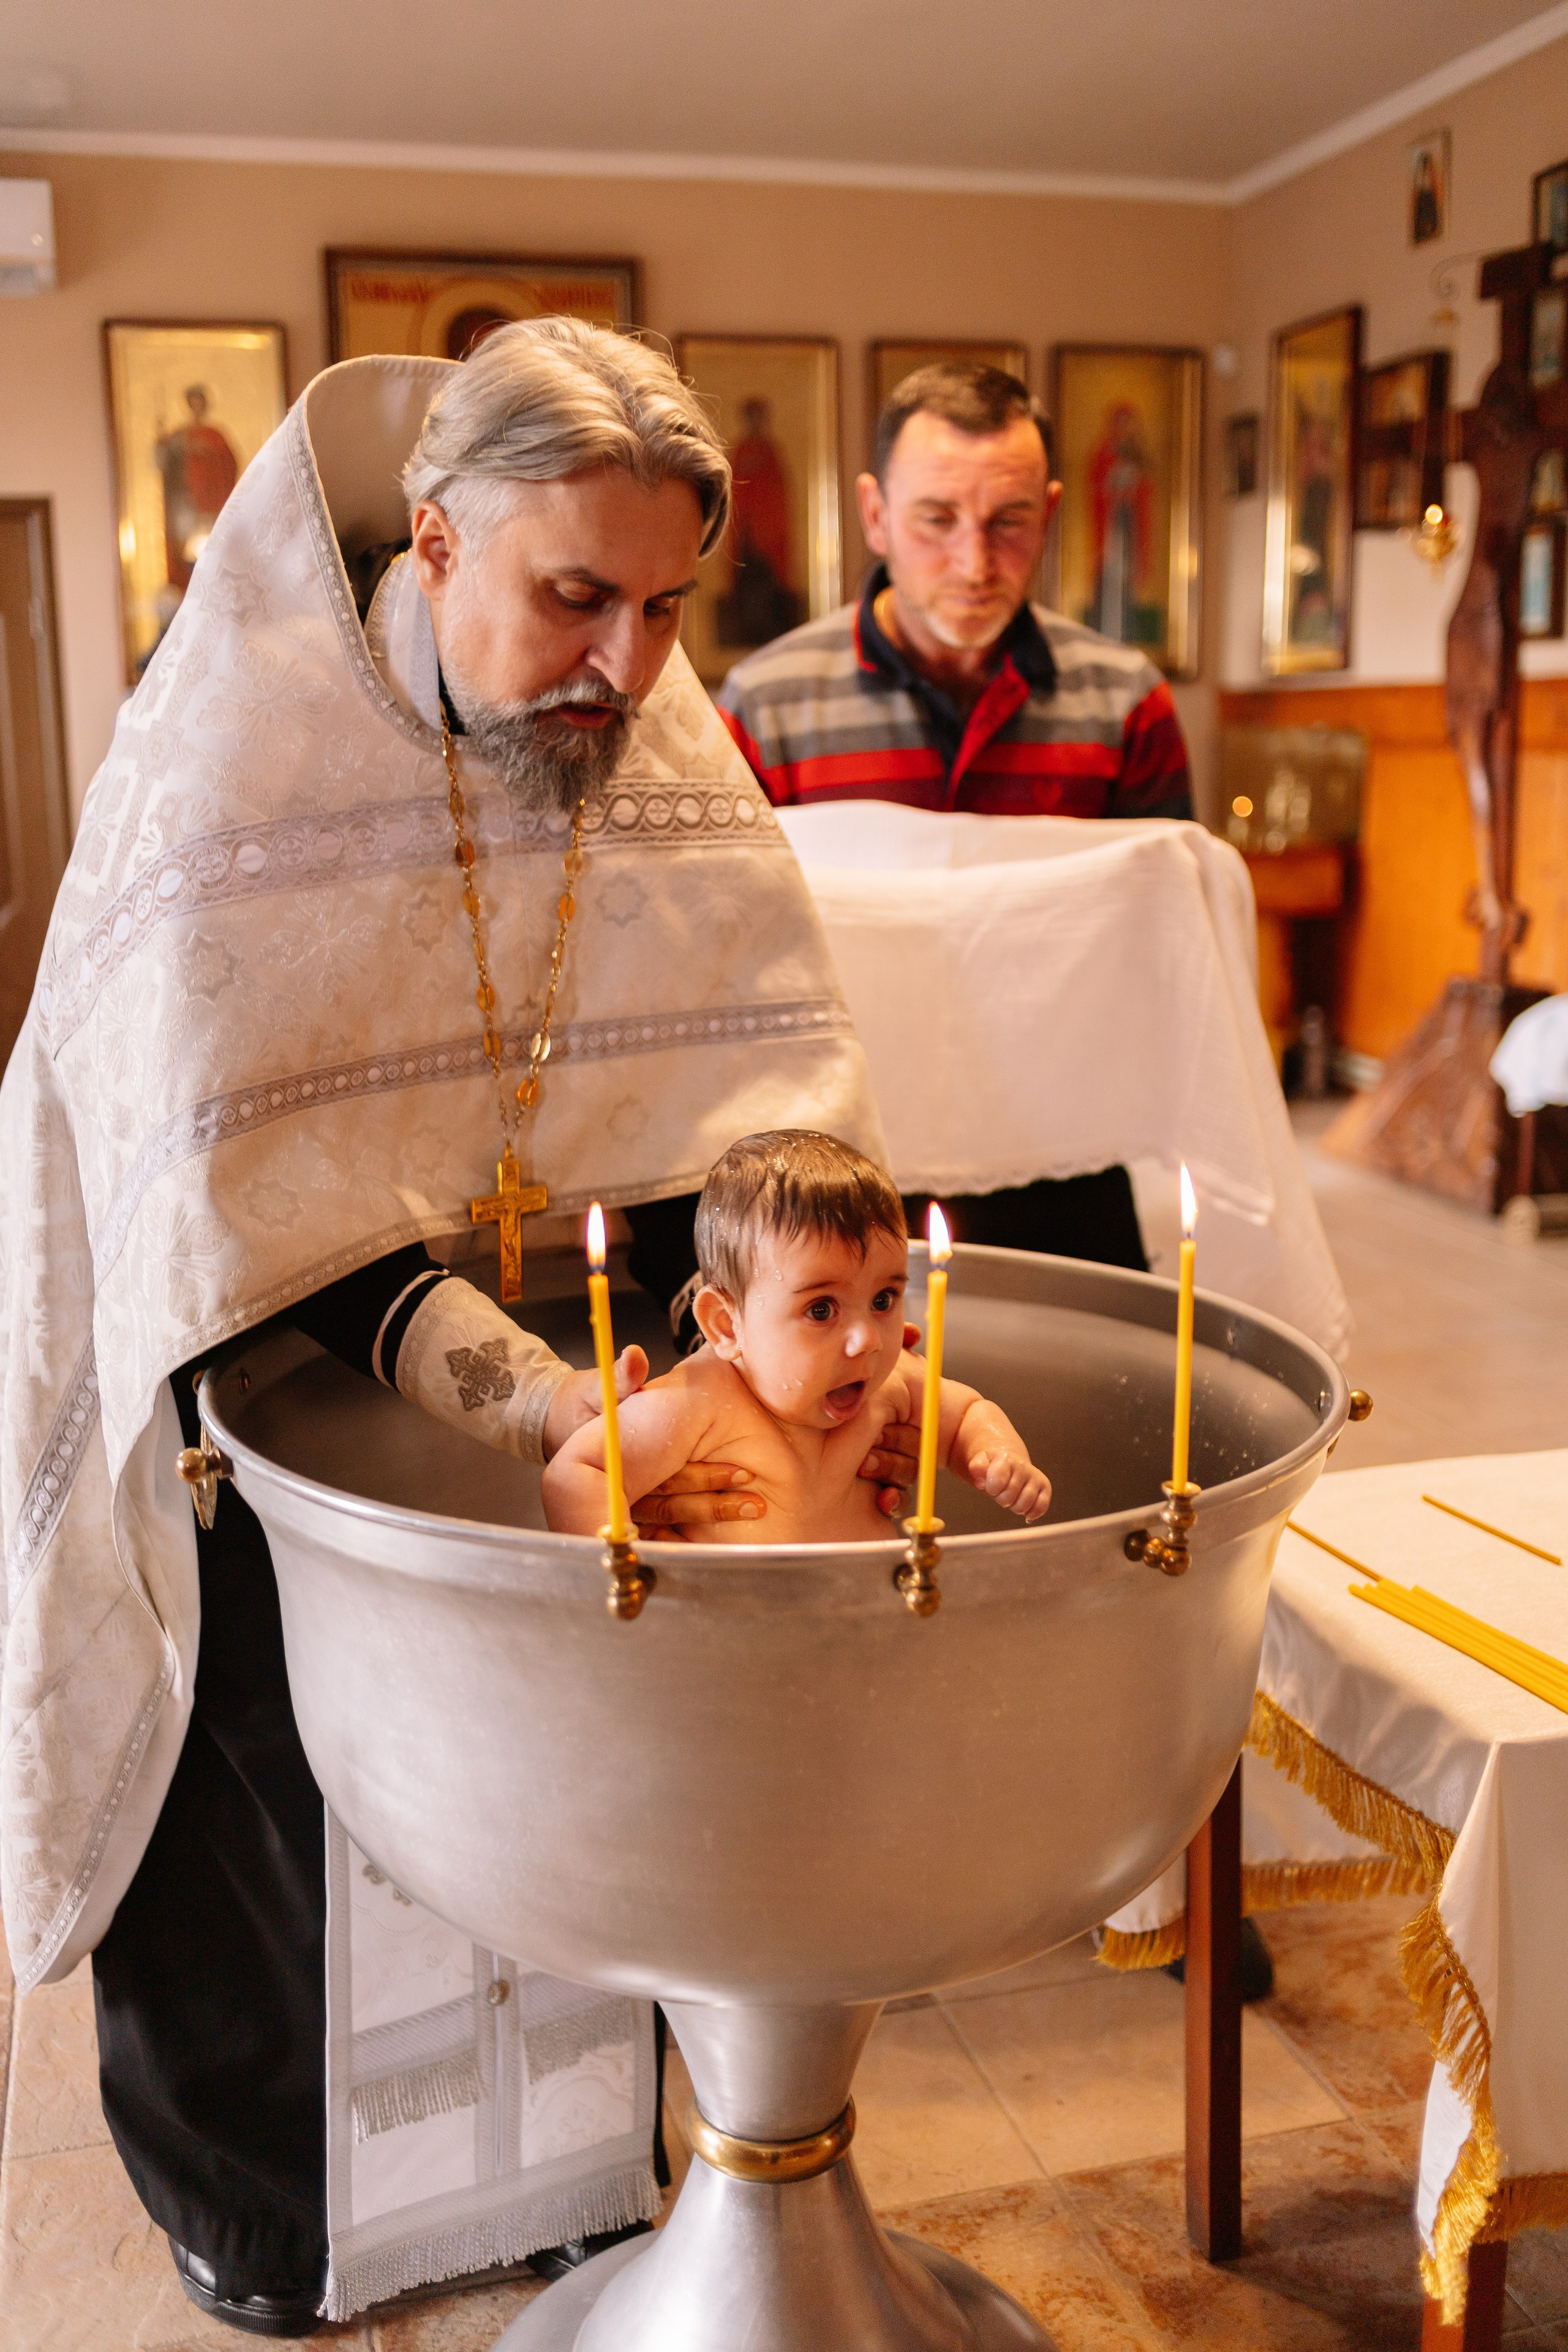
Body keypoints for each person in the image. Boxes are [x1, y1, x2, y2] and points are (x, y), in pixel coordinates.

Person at [0, 320, 897, 2335]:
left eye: (669, 605)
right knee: (270, 1789)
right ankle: (274, 2215)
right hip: (261, 1399)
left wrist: (767, 1329)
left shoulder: (650, 748)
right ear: (430, 537)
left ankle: (580, 2174)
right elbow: (226, 1211)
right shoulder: (229, 769)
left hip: (583, 1384)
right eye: (574, 597)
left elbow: (756, 1105)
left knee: (604, 1761)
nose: (628, 669)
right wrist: (555, 1402)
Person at [717, 357, 1192, 1275]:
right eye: (937, 520)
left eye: (1009, 522)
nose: (975, 562)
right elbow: (732, 960)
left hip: (1061, 1155)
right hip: (834, 1164)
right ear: (875, 515)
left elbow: (1161, 954)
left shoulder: (1127, 702)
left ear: (1051, 511)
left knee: (1082, 1400)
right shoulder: (765, 704)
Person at [545, 1131, 1050, 1541]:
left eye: (883, 1300)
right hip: (728, 1641)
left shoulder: (892, 1384)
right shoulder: (695, 1403)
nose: (867, 1340)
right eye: (822, 1309)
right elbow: (580, 1472)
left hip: (867, 1627)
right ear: (726, 1325)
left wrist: (998, 1456)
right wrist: (619, 1562)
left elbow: (966, 1414)